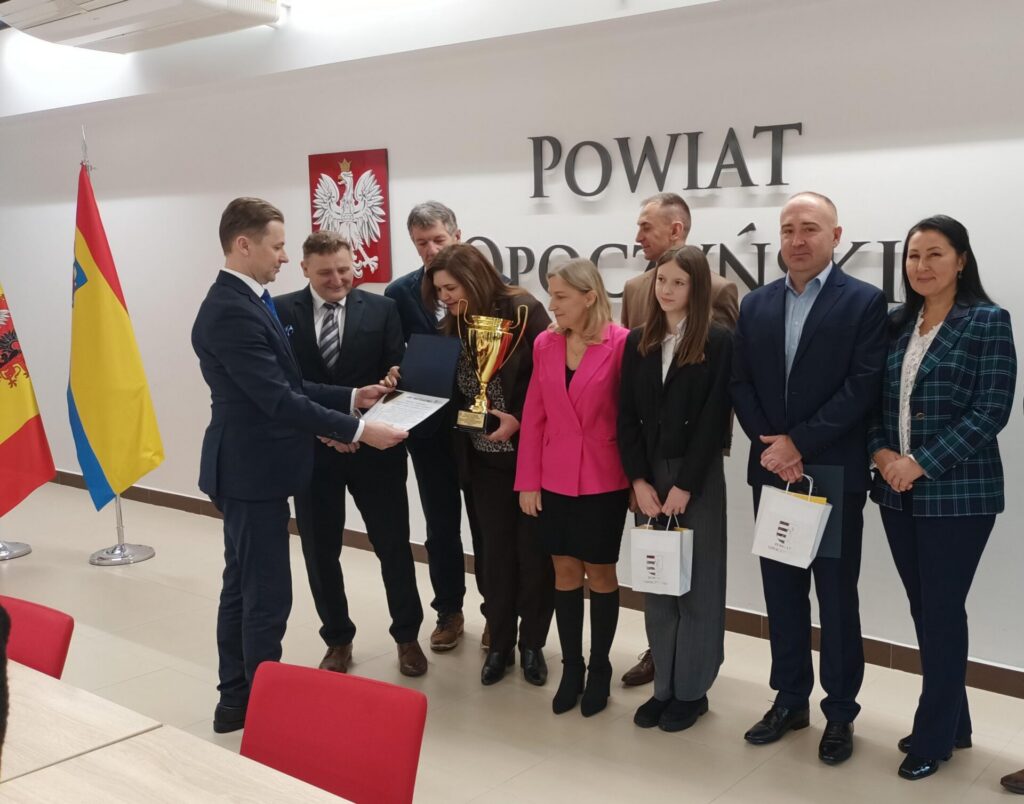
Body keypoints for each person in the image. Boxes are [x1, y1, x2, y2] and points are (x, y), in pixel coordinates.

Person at [192, 198, 406, 733]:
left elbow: (288, 384)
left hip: (258, 469)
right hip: (250, 471)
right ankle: (256, 707)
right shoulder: (231, 310)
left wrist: (351, 396)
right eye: (279, 246)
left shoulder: (249, 300)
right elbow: (277, 400)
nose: (284, 257)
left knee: (244, 586)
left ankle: (237, 699)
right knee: (264, 596)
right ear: (244, 244)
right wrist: (360, 429)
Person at [730, 191, 887, 764]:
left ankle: (840, 712)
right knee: (782, 591)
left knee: (836, 597)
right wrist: (774, 447)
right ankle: (790, 699)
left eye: (811, 229)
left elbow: (862, 386)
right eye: (788, 229)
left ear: (836, 236)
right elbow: (740, 382)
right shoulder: (756, 303)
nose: (797, 240)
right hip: (774, 470)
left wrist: (800, 442)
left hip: (832, 472)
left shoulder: (865, 302)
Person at [867, 215, 1016, 781]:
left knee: (943, 610)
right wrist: (882, 454)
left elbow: (991, 410)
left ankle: (932, 736)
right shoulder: (896, 324)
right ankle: (956, 723)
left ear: (961, 260)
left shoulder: (986, 321)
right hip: (896, 491)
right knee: (924, 609)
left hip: (960, 494)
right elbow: (874, 402)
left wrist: (920, 462)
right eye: (913, 256)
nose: (921, 266)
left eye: (934, 254)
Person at [275, 231, 426, 678]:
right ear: (305, 269)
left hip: (375, 451)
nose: (338, 279)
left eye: (344, 270)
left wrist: (390, 385)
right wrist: (329, 429)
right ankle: (337, 639)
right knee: (320, 552)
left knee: (393, 546)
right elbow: (285, 385)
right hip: (313, 452)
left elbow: (394, 381)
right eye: (325, 272)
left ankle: (407, 637)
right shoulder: (279, 311)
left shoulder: (383, 309)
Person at [619, 192, 738, 688]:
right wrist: (637, 480)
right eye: (661, 281)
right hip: (649, 474)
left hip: (695, 475)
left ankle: (691, 690)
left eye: (678, 283)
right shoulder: (638, 339)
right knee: (657, 580)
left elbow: (713, 419)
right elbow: (626, 415)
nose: (666, 290)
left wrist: (686, 484)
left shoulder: (717, 340)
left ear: (697, 288)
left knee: (699, 585)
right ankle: (664, 683)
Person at [423, 244, 554, 686]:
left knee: (533, 558)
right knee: (493, 557)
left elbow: (550, 380)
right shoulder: (451, 324)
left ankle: (532, 644)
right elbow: (454, 393)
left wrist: (519, 420)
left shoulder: (524, 310)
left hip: (529, 461)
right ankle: (499, 642)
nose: (445, 297)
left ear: (474, 278)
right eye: (439, 290)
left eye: (451, 288)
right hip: (479, 461)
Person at [516, 258, 631, 717]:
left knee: (600, 574)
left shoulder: (621, 343)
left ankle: (600, 669)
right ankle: (572, 667)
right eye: (551, 294)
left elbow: (633, 418)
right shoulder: (545, 343)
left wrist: (639, 478)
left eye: (561, 296)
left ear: (589, 297)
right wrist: (528, 481)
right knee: (563, 572)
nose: (552, 305)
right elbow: (534, 415)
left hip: (604, 478)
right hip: (554, 478)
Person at [385, 202, 482, 652]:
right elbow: (393, 353)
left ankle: (499, 614)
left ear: (457, 235)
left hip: (481, 430)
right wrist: (393, 371)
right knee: (441, 526)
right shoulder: (399, 293)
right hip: (428, 429)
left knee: (488, 526)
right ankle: (449, 611)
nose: (430, 249)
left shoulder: (487, 286)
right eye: (421, 243)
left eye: (438, 239)